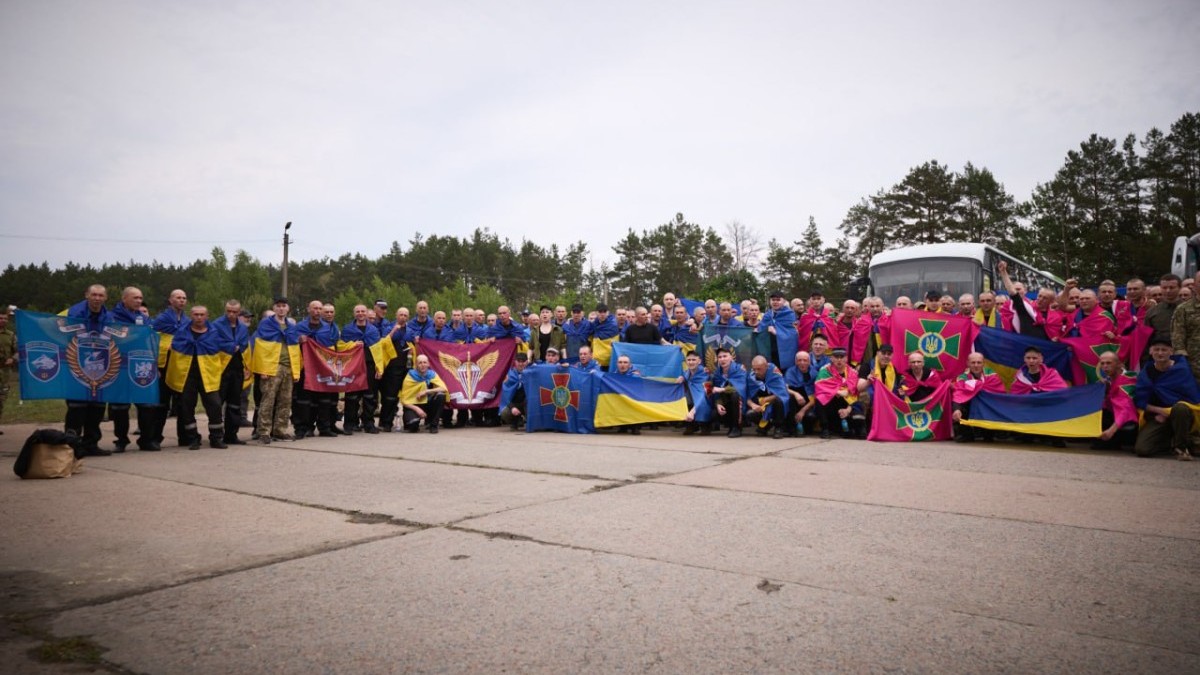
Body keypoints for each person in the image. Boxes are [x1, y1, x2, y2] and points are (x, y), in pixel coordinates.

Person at [164, 306, 232, 449]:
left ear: (207, 316)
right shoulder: (182, 332)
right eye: (196, 314)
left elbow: (223, 351)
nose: (199, 317)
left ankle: (216, 438)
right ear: (191, 315)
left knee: (215, 405)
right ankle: (193, 438)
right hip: (187, 375)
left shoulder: (214, 333)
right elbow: (174, 350)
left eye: (202, 314)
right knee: (187, 407)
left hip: (207, 375)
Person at [64, 284, 113, 456]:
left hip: (100, 368)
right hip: (77, 366)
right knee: (77, 407)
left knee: (97, 407)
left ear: (105, 298)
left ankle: (91, 444)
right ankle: (71, 446)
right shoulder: (73, 314)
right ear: (87, 295)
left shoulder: (110, 317)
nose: (97, 298)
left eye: (100, 295)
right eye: (94, 295)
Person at [1133, 338, 1198, 460]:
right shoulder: (1146, 372)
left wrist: (1168, 413)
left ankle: (1181, 448)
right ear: (1151, 352)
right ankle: (1168, 441)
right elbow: (1140, 401)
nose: (1160, 353)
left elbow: (1191, 398)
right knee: (1142, 449)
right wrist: (1160, 411)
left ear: (1171, 352)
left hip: (1181, 416)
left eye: (1164, 350)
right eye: (1156, 350)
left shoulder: (1181, 370)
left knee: (1180, 409)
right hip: (1157, 416)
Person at [108, 286, 154, 451]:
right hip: (119, 365)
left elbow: (150, 340)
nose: (139, 301)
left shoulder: (144, 318)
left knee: (146, 404)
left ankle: (146, 440)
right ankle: (121, 440)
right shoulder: (111, 317)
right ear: (124, 299)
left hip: (141, 364)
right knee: (120, 406)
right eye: (135, 298)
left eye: (140, 298)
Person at [250, 296, 300, 444]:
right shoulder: (266, 324)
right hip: (272, 367)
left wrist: (295, 370)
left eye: (284, 306)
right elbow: (260, 348)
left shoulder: (291, 327)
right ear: (274, 308)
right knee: (268, 400)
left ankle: (280, 430)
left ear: (288, 308)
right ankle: (263, 432)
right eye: (278, 306)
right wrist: (263, 369)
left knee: (285, 401)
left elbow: (296, 349)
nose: (281, 308)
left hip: (288, 367)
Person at [148, 289, 189, 449]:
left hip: (179, 366)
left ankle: (184, 437)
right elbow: (152, 341)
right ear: (170, 300)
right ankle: (155, 438)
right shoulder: (161, 319)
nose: (181, 300)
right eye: (178, 297)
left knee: (183, 403)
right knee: (161, 404)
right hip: (163, 366)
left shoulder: (187, 320)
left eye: (184, 298)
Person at [342, 304, 383, 434]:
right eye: (358, 311)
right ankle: (350, 424)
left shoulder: (373, 330)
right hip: (353, 366)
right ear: (354, 314)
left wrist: (379, 368)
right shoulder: (347, 329)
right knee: (351, 397)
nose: (360, 313)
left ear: (366, 313)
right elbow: (341, 347)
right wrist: (352, 344)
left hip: (369, 365)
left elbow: (378, 351)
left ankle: (368, 424)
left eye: (363, 311)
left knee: (369, 396)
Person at [215, 299, 251, 445]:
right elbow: (213, 341)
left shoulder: (243, 327)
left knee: (235, 403)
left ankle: (231, 435)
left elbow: (245, 344)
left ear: (239, 312)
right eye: (229, 311)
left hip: (237, 369)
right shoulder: (216, 325)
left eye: (234, 312)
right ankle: (216, 436)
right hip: (222, 369)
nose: (231, 314)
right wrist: (230, 346)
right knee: (217, 403)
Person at [951, 352, 1005, 442]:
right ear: (968, 363)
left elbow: (999, 395)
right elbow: (958, 395)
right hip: (970, 407)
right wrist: (957, 409)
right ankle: (966, 434)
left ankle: (991, 433)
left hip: (988, 407)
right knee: (958, 409)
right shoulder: (962, 378)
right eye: (973, 362)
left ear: (983, 363)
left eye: (979, 362)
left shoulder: (992, 376)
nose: (976, 365)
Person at [814, 347, 862, 439]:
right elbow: (820, 386)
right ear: (831, 358)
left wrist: (848, 408)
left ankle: (851, 428)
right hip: (830, 402)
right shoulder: (825, 370)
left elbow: (855, 391)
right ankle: (825, 428)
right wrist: (838, 391)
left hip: (846, 403)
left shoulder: (852, 372)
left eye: (842, 357)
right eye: (836, 357)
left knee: (859, 401)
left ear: (846, 358)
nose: (839, 360)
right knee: (820, 398)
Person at [1094, 351, 1138, 450]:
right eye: (1102, 363)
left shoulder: (1128, 379)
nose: (1105, 366)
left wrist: (1111, 430)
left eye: (1109, 363)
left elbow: (1125, 409)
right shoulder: (1107, 380)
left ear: (1119, 364)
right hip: (1114, 415)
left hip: (1130, 421)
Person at [378, 307, 411, 432]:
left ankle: (409, 423)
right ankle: (386, 423)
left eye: (405, 315)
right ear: (396, 315)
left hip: (407, 366)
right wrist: (393, 331)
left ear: (408, 317)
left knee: (408, 395)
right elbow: (383, 343)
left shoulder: (410, 330)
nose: (403, 317)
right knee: (390, 396)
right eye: (401, 314)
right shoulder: (388, 327)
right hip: (392, 367)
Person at [856, 343, 904, 426]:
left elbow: (897, 388)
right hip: (872, 399)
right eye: (883, 353)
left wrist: (901, 391)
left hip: (887, 401)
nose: (886, 356)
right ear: (878, 353)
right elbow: (859, 388)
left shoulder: (893, 369)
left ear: (892, 356)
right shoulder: (867, 366)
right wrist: (868, 381)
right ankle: (865, 426)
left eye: (889, 354)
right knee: (864, 396)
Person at [745, 355, 790, 439]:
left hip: (774, 404)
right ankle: (766, 426)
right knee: (749, 414)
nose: (756, 372)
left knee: (779, 401)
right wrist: (753, 405)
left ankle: (778, 428)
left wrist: (768, 399)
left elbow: (783, 392)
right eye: (754, 369)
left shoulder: (774, 373)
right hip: (760, 405)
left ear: (766, 366)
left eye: (759, 369)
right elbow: (746, 396)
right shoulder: (751, 376)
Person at [401, 354, 447, 433]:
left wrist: (426, 391)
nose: (423, 365)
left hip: (427, 403)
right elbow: (404, 400)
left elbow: (444, 388)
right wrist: (417, 409)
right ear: (416, 365)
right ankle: (413, 422)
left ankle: (433, 425)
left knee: (441, 396)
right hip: (414, 405)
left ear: (428, 364)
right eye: (420, 363)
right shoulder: (410, 376)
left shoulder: (432, 374)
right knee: (413, 426)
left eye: (425, 362)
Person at [709, 348, 747, 438]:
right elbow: (716, 392)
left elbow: (740, 388)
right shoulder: (717, 373)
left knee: (735, 396)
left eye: (725, 356)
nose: (722, 359)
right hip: (725, 401)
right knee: (713, 413)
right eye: (720, 357)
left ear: (731, 358)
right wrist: (718, 403)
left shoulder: (739, 369)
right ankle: (730, 426)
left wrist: (722, 389)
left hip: (740, 401)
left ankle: (737, 427)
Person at [1170, 271, 1200, 386]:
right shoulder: (1183, 309)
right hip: (1195, 367)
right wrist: (1183, 362)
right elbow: (1177, 338)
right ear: (1194, 285)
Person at [783, 351, 818, 436]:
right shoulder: (790, 371)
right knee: (789, 399)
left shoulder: (815, 373)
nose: (802, 363)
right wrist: (796, 394)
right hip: (794, 402)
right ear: (796, 362)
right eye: (799, 360)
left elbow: (817, 395)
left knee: (810, 417)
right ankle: (790, 428)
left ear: (809, 362)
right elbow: (784, 388)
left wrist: (802, 411)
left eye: (805, 360)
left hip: (809, 404)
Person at [1144, 273, 1182, 349]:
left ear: (1179, 288)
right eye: (1164, 288)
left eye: (1172, 287)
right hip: (1162, 353)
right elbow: (1146, 338)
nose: (1168, 291)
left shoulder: (1189, 309)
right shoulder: (1152, 312)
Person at [680, 350, 710, 435]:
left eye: (693, 360)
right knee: (684, 396)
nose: (691, 362)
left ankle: (705, 425)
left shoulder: (705, 373)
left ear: (699, 361)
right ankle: (691, 426)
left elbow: (703, 395)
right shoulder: (686, 373)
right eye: (689, 360)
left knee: (702, 399)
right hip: (693, 400)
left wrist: (692, 412)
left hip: (706, 400)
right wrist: (682, 378)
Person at [498, 352, 530, 430]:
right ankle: (515, 421)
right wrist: (512, 408)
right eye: (519, 361)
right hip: (514, 403)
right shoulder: (509, 375)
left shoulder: (531, 374)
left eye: (523, 361)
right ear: (515, 362)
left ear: (527, 362)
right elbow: (505, 396)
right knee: (504, 412)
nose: (521, 364)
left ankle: (530, 422)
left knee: (530, 402)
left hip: (527, 403)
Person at [0, 310, 14, 434]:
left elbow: (18, 351)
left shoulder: (11, 335)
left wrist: (13, 358)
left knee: (1, 399)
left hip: (4, 372)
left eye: (5, 318)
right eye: (1, 318)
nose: (3, 320)